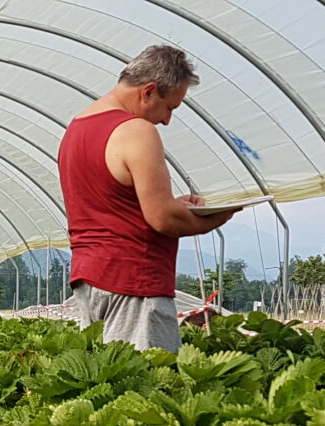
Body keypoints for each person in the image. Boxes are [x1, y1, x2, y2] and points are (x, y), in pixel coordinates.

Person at [58, 45, 239, 353]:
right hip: (133, 280)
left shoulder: (76, 130)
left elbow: (112, 202)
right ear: (149, 91)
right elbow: (162, 219)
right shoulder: (136, 131)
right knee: (150, 383)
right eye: (169, 107)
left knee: (106, 377)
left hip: (91, 278)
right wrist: (213, 220)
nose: (167, 120)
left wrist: (172, 203)